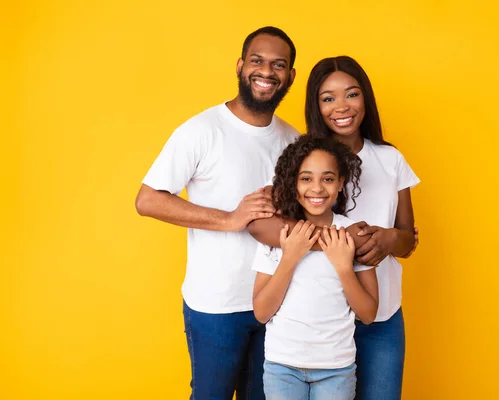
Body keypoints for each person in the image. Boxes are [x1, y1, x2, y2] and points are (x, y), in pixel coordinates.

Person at [135, 26, 299, 400]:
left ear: (290, 76)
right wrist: (229, 219)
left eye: (279, 64)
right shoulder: (202, 130)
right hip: (216, 304)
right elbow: (148, 200)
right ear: (241, 66)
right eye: (257, 61)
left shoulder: (294, 139)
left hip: (276, 303)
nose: (267, 71)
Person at [248, 55, 420, 400]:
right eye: (328, 98)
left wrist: (387, 239)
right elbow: (261, 226)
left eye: (351, 94)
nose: (342, 106)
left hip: (377, 313)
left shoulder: (390, 159)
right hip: (310, 327)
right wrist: (341, 243)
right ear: (317, 106)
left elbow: (408, 238)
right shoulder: (300, 159)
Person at [252, 135, 379, 399]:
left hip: (336, 368)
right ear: (293, 183)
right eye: (306, 178)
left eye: (328, 178)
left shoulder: (354, 234)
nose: (317, 188)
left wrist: (344, 267)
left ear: (341, 183)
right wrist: (289, 258)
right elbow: (261, 313)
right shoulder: (278, 236)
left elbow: (368, 314)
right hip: (282, 366)